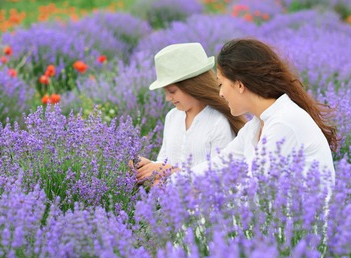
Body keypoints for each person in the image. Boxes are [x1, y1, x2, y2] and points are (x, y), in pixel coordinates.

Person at [192, 38, 338, 181]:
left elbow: (258, 188)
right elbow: (221, 165)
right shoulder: (255, 126)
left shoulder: (284, 122)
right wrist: (176, 178)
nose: (221, 93)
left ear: (239, 85)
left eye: (221, 84)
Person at [135, 42, 246, 183]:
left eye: (172, 91)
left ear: (193, 86)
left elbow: (221, 177)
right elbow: (164, 162)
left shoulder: (218, 122)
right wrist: (148, 165)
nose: (168, 98)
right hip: (168, 202)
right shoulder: (172, 117)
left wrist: (170, 171)